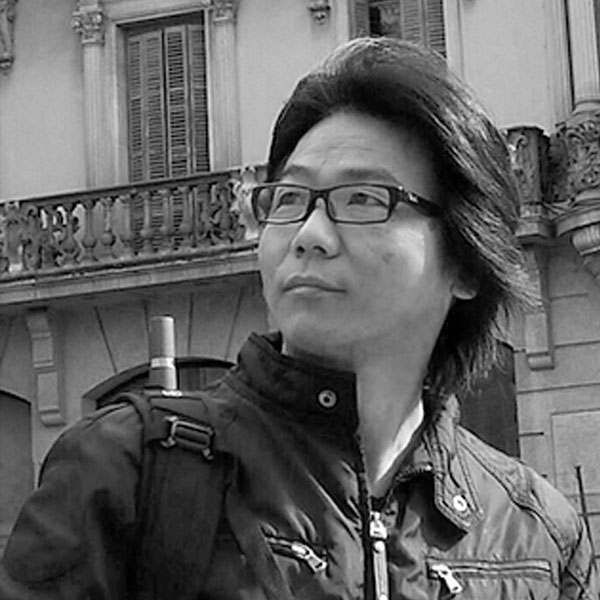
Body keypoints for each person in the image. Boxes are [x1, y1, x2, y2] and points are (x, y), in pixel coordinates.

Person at [1, 37, 598, 599]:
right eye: (290, 199)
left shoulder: (537, 539)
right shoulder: (123, 472)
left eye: (363, 199)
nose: (310, 235)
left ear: (466, 262)